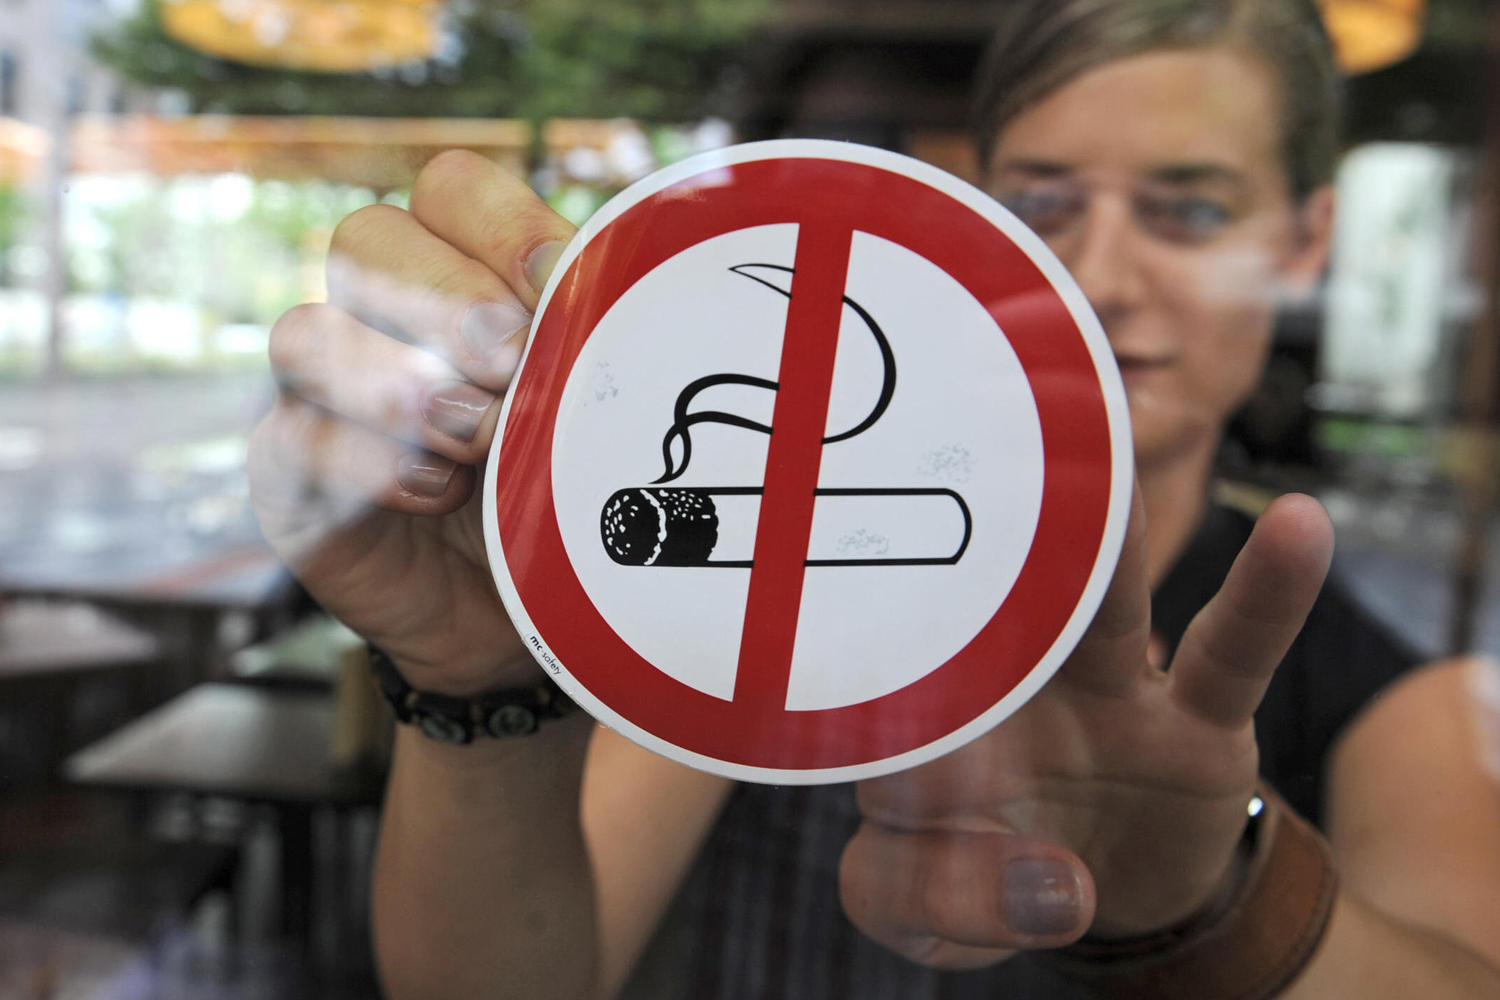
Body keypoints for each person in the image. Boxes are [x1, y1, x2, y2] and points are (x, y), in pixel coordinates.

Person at [247, 0, 1500, 996]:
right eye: (1043, 203)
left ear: (1304, 240)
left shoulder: (1393, 698)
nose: (1103, 274)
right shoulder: (762, 579)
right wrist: (479, 682)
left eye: (1191, 208)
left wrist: (1221, 898)